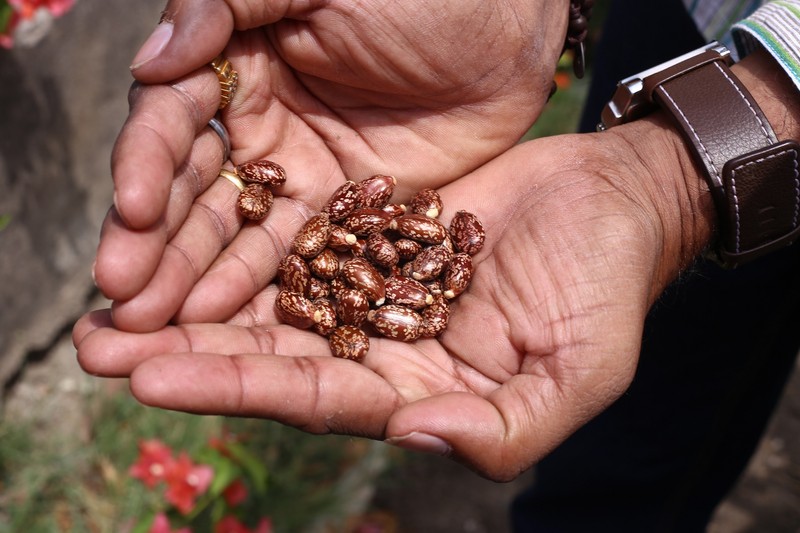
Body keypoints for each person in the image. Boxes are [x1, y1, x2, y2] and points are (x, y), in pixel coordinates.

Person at [73, 0, 800, 528]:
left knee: (670, 411)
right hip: (686, 14)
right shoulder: (370, 248)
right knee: (625, 414)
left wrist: (672, 181)